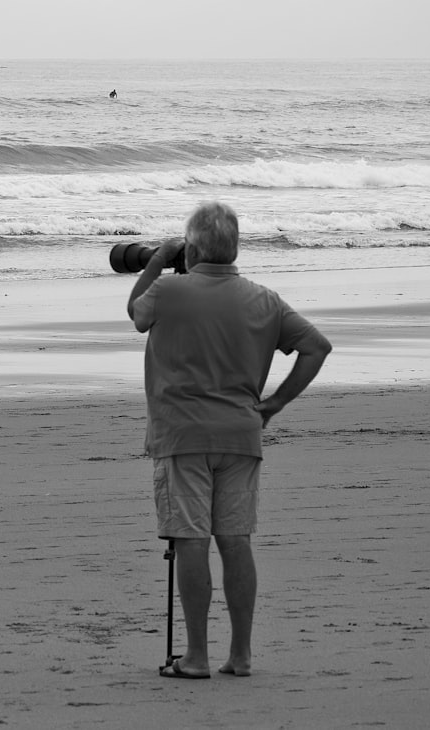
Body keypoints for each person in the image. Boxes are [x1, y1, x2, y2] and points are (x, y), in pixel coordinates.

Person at [126, 202, 332, 679]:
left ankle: (196, 656)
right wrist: (274, 403)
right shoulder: (264, 299)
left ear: (191, 247)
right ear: (236, 247)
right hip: (241, 433)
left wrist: (158, 259)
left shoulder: (170, 289)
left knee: (191, 539)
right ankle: (240, 655)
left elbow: (137, 315)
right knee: (235, 541)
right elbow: (316, 347)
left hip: (181, 435)